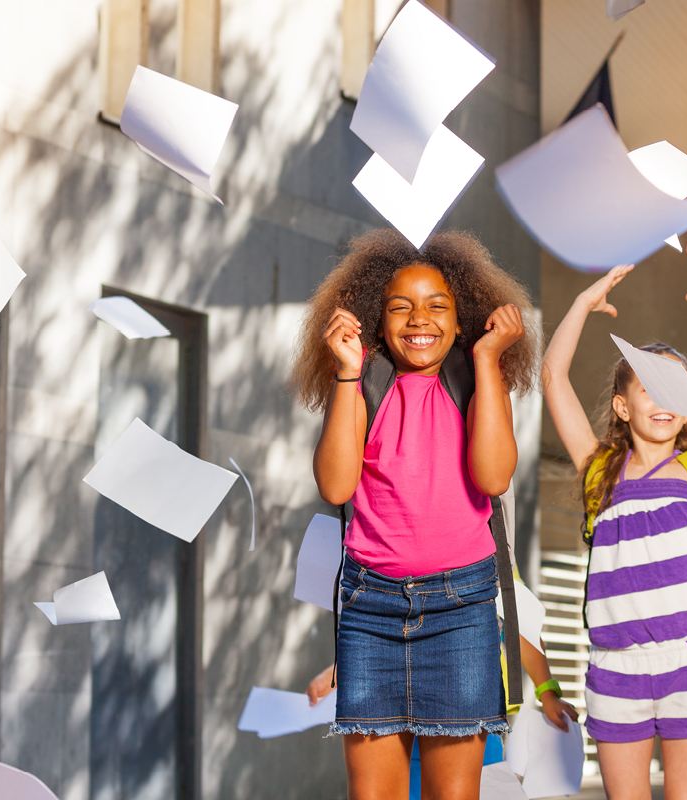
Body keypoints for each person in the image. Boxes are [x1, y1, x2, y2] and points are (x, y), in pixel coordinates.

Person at [290, 229, 540, 800]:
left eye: (437, 307)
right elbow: (334, 484)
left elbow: (494, 477)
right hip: (369, 610)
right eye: (400, 307)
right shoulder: (363, 383)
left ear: (460, 322)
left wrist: (487, 360)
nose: (418, 318)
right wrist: (348, 371)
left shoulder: (475, 379)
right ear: (377, 324)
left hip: (461, 610)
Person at [541, 242, 687, 800]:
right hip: (615, 668)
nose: (664, 402)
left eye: (677, 391)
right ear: (622, 405)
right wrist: (583, 302)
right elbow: (552, 376)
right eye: (649, 388)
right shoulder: (600, 472)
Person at [306, 631, 579, 800]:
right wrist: (341, 669)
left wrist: (547, 692)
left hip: (469, 720)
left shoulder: (490, 549)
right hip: (402, 720)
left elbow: (519, 621)